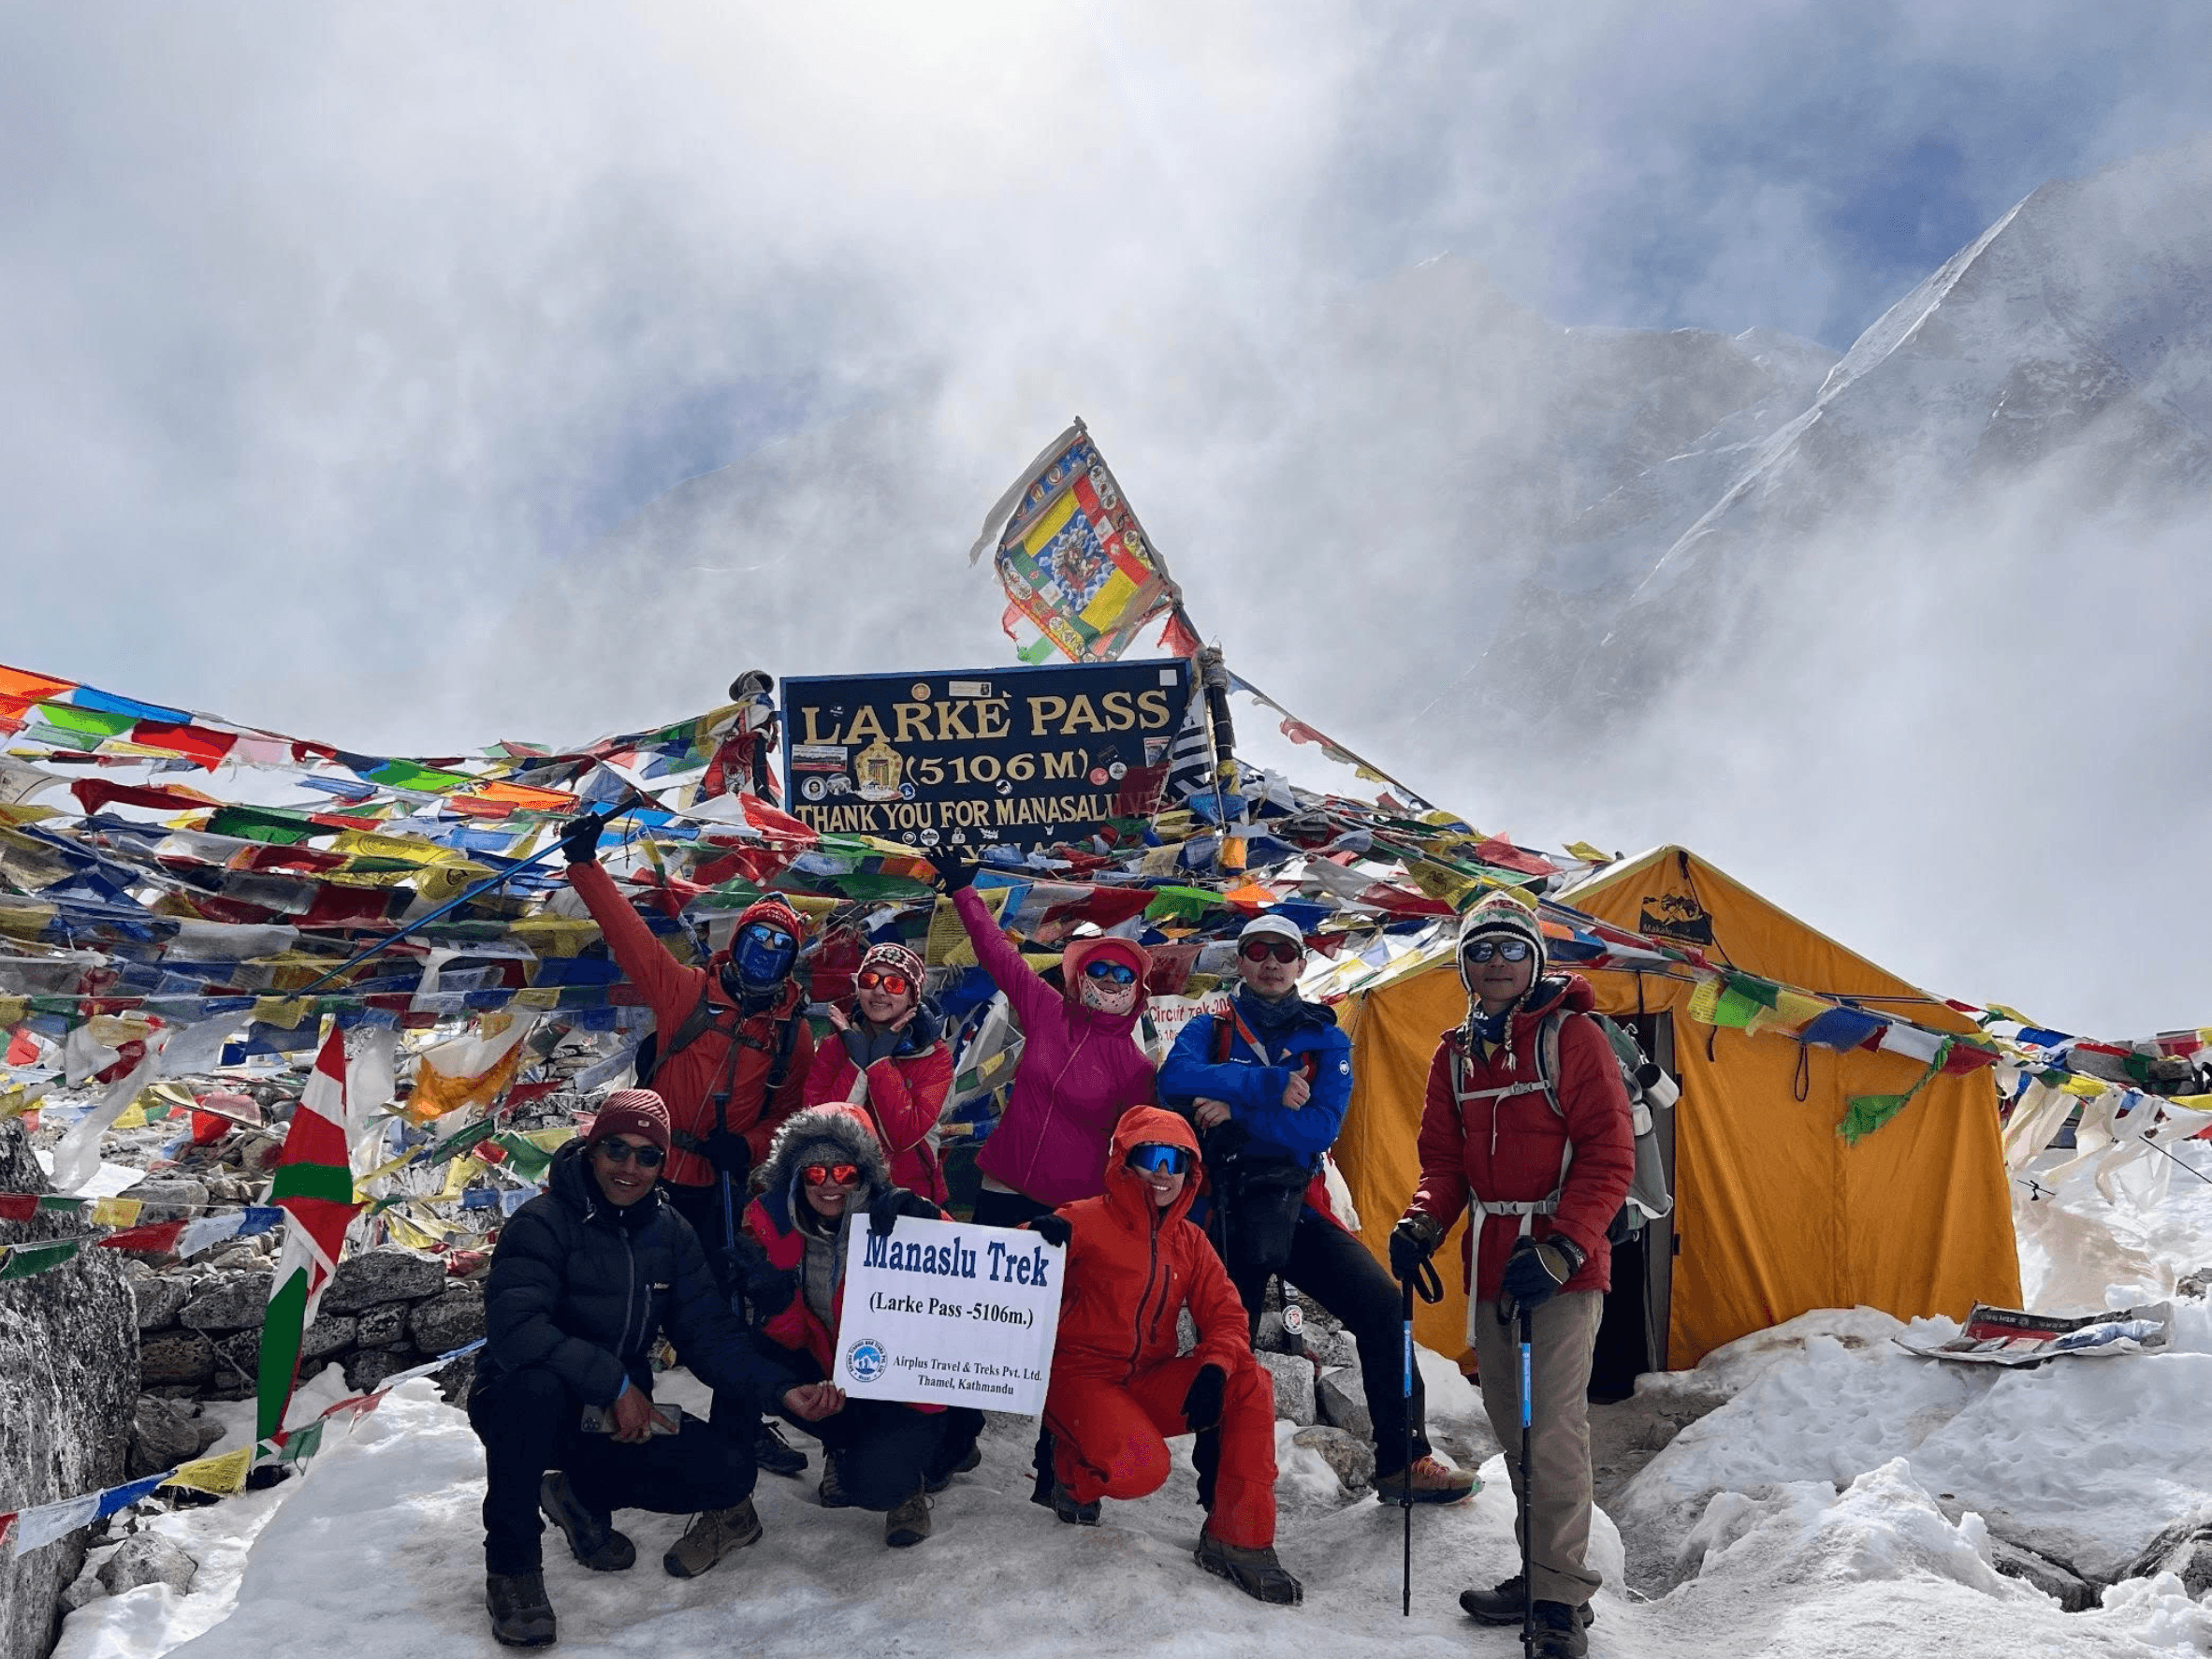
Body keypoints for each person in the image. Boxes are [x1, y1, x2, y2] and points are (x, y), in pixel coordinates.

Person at [1388, 893, 1635, 1659]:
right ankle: (1539, 1572)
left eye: (1509, 949)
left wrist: (1562, 1247)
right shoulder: (1454, 1054)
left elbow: (1609, 1154)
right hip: (1495, 1259)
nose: (1496, 963)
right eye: (1481, 950)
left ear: (1535, 959)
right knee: (1515, 1426)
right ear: (1465, 964)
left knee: (1552, 1428)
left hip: (1564, 1263)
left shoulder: (1575, 1037)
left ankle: (1560, 1603)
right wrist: (1424, 1220)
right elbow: (1446, 1164)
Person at [1158, 912, 1476, 1506]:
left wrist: (1233, 1109)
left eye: (1285, 951)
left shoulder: (1327, 1038)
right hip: (1223, 1206)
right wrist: (1267, 1086)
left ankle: (1403, 1461)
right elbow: (1174, 1079)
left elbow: (1319, 1127)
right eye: (1257, 951)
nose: (1271, 962)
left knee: (1382, 1307)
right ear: (1241, 962)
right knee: (1231, 1339)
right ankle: (1218, 1487)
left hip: (1295, 1205)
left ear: (1303, 964)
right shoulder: (1212, 1026)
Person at [469, 1089, 781, 1648]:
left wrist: (785, 1391)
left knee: (727, 1471)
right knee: (531, 1393)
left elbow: (708, 1334)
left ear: (663, 1164)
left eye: (647, 1155)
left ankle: (577, 1495)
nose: (630, 1167)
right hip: (525, 1396)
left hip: (616, 1407)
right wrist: (612, 1382)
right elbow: (517, 1332)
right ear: (592, 1151)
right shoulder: (541, 1222)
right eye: (616, 1149)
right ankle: (512, 1567)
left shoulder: (672, 1233)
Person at [560, 809, 816, 1477]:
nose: (764, 955)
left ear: (790, 960)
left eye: (778, 947)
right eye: (756, 939)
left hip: (721, 1185)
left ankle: (743, 1426)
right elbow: (632, 940)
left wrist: (754, 1143)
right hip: (647, 1174)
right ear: (738, 942)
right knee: (622, 1301)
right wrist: (586, 867)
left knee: (731, 1311)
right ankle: (613, 1422)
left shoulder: (793, 1031)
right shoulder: (685, 993)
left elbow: (788, 1113)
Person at [1029, 1106, 1302, 1606]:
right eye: (1150, 1156)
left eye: (1176, 1163)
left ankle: (1236, 1538)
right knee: (1143, 1470)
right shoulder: (1083, 1220)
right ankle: (1071, 1470)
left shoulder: (1190, 1242)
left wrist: (1216, 1368)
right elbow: (990, 1265)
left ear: (1189, 1175)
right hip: (1078, 1380)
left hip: (1143, 1381)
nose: (1162, 1173)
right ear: (1123, 1162)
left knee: (1249, 1381)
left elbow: (1227, 1315)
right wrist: (1038, 1238)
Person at [740, 1105, 985, 1548]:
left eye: (845, 1172)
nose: (831, 1184)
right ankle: (741, 1502)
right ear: (796, 1176)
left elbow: (988, 1277)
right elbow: (791, 1339)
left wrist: (1037, 1235)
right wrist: (774, 1305)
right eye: (815, 1173)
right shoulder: (774, 1228)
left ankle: (924, 1464)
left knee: (879, 1483)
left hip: (906, 1385)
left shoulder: (903, 1214)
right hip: (834, 1370)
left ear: (864, 1173)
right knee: (751, 1365)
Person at [928, 850, 1156, 1227]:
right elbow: (1000, 955)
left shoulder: (1138, 1068)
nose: (1111, 980)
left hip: (1072, 1209)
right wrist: (964, 892)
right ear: (1080, 976)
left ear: (1138, 989)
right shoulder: (1048, 1010)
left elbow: (1132, 1151)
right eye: (1099, 968)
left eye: (1124, 975)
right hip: (1002, 1185)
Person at [802, 940, 952, 1204]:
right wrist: (856, 1065)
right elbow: (820, 1129)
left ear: (912, 997)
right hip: (840, 1194)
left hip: (908, 1198)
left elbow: (903, 1135)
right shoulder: (833, 1046)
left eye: (894, 984)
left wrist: (880, 1063)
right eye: (869, 980)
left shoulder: (935, 1056)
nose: (879, 991)